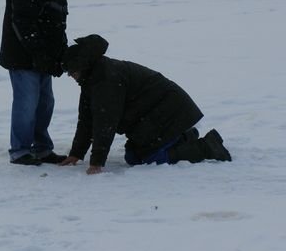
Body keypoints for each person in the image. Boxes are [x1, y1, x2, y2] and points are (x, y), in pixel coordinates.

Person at [59, 34, 231, 174]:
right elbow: (87, 119)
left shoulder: (106, 80)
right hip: (157, 114)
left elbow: (106, 122)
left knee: (151, 157)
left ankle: (207, 147)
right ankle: (184, 135)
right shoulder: (92, 79)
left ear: (83, 66)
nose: (70, 76)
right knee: (133, 157)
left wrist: (96, 162)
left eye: (71, 72)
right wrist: (76, 154)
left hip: (170, 109)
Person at [0, 0, 85, 165]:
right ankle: (20, 151)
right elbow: (23, 25)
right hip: (22, 58)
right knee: (26, 104)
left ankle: (42, 148)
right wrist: (40, 55)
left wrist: (60, 55)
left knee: (45, 104)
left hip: (43, 59)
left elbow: (58, 27)